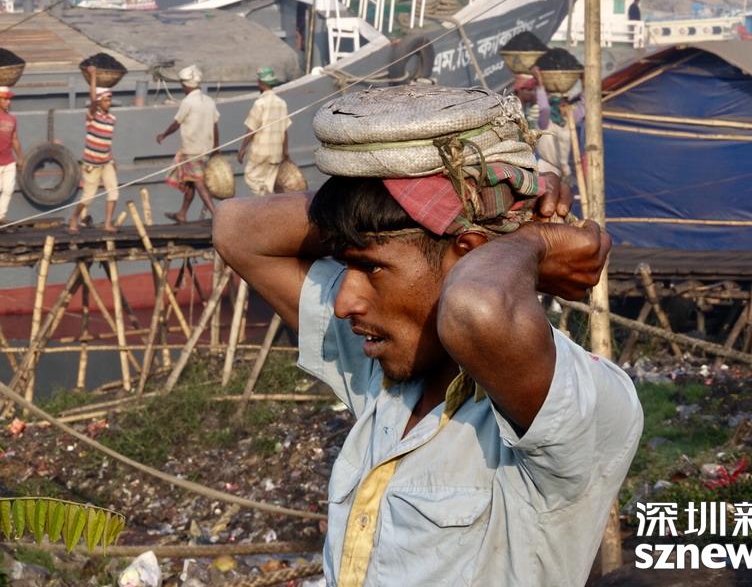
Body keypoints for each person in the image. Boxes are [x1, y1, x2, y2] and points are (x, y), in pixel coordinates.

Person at [213, 86, 642, 587]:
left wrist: (532, 241)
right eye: (345, 265)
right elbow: (236, 229)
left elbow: (475, 310)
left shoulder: (577, 402)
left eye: (371, 267)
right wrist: (389, 192)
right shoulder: (386, 372)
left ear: (469, 255)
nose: (344, 302)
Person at [157, 65, 220, 222]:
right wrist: (216, 147)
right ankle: (182, 213)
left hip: (192, 150)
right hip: (206, 150)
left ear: (185, 85)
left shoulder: (187, 102)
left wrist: (163, 134)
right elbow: (215, 125)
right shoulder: (209, 101)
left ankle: (216, 214)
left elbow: (177, 123)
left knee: (198, 183)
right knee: (191, 181)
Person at [68, 67, 119, 234]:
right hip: (91, 163)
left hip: (106, 162)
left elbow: (106, 142)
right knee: (88, 197)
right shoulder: (92, 116)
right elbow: (92, 100)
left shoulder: (112, 119)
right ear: (99, 102)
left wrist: (112, 159)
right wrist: (94, 76)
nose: (108, 103)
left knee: (113, 192)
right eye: (106, 100)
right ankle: (74, 218)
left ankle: (107, 224)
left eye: (110, 100)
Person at [237, 67, 292, 196]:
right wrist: (285, 152)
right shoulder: (281, 103)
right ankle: (267, 202)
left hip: (260, 152)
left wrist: (242, 148)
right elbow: (284, 130)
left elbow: (251, 128)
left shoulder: (260, 103)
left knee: (250, 176)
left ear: (260, 83)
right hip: (276, 152)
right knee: (268, 182)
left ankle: (262, 201)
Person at [0, 86, 23, 226]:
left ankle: (1, 216)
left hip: (8, 160)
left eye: (9, 99)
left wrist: (20, 157)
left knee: (8, 189)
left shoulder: (12, 119)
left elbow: (14, 139)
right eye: (5, 99)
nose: (8, 102)